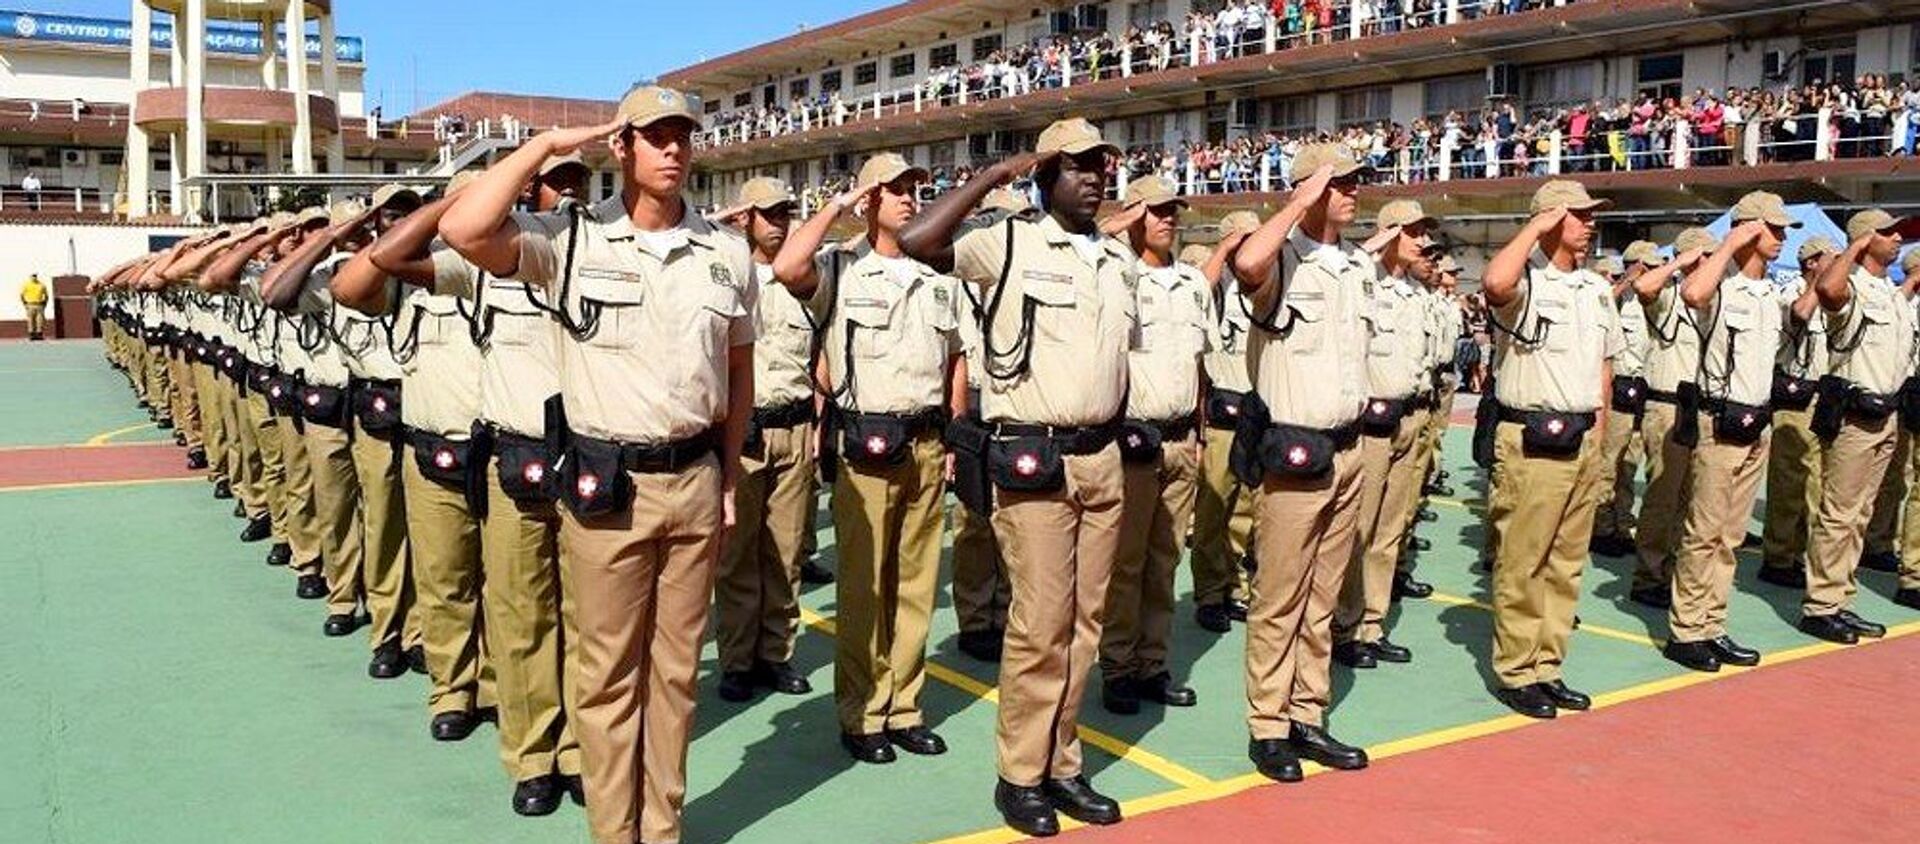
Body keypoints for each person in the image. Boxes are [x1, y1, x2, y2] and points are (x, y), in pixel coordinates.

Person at [439, 85, 749, 844]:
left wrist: (732, 475)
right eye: (654, 135)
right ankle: (616, 833)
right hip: (609, 488)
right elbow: (462, 226)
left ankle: (662, 828)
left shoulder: (726, 252)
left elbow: (737, 374)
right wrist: (545, 148)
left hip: (695, 481)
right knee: (608, 678)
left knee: (675, 679)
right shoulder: (570, 240)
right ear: (622, 148)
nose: (673, 148)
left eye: (683, 134)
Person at [899, 117, 1132, 837]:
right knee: (1038, 624)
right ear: (1046, 174)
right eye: (1077, 165)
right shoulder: (1006, 242)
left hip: (1102, 457)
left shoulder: (1114, 260)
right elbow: (919, 243)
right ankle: (1020, 773)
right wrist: (996, 176)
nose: (1094, 176)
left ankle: (1064, 762)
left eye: (1101, 165)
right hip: (1034, 458)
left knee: (1085, 626)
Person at [774, 152, 964, 764]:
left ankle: (904, 706)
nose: (911, 198)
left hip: (928, 444)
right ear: (870, 199)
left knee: (915, 586)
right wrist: (837, 204)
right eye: (896, 189)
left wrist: (956, 435)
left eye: (916, 187)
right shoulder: (840, 268)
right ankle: (860, 712)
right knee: (863, 587)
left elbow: (956, 357)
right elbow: (786, 265)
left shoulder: (939, 275)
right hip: (866, 447)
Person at [1227, 143, 1374, 781]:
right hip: (1294, 452)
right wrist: (1298, 201)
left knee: (1322, 594)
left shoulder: (1355, 266)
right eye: (1338, 183)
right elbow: (1248, 260)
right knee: (1280, 595)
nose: (1352, 192)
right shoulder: (1281, 258)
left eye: (1353, 182)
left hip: (1348, 449)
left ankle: (1306, 713)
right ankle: (1267, 724)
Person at [1481, 180, 1624, 720]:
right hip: (1532, 441)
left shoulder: (1595, 289)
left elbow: (1604, 367)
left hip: (1583, 436)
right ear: (1549, 221)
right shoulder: (1527, 284)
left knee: (1566, 563)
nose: (1589, 224)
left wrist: (1602, 436)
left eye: (1591, 216)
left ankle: (1548, 665)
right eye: (1578, 216)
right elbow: (1495, 281)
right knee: (1524, 561)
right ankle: (1517, 670)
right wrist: (1536, 227)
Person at [1661, 191, 1802, 672]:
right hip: (1717, 422)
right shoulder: (1721, 287)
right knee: (1704, 532)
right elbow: (1693, 294)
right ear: (1747, 230)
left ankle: (1711, 625)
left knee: (1731, 536)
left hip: (1756, 421)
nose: (1782, 238)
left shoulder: (1770, 292)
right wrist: (1729, 243)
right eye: (1774, 229)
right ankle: (1686, 631)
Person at [1095, 174, 1206, 715]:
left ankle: (1152, 663)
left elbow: (1200, 365)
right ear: (1134, 215)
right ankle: (1117, 665)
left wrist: (1202, 436)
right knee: (1126, 562)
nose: (1168, 219)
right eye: (1157, 211)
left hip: (1183, 438)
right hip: (1134, 440)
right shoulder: (1116, 275)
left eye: (1172, 211)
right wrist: (1113, 229)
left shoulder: (1193, 282)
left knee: (1166, 561)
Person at [711, 177, 817, 705]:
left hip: (794, 425)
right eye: (769, 214)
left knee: (785, 549)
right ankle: (735, 659)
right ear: (746, 218)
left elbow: (820, 355)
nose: (779, 223)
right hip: (742, 431)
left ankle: (776, 653)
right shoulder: (723, 274)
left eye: (785, 214)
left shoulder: (802, 280)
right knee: (735, 555)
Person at [1334, 199, 1439, 670]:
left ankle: (1371, 624)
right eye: (1414, 233)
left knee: (1389, 529)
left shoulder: (1417, 292)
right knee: (1359, 528)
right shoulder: (1363, 281)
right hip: (1371, 426)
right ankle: (1345, 625)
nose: (1424, 242)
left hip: (1411, 416)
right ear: (1391, 234)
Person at [1800, 208, 1910, 644]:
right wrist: (1855, 248)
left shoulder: (1888, 291)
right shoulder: (1854, 287)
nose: (1898, 238)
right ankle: (1820, 606)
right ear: (1865, 240)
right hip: (1855, 417)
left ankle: (1841, 598)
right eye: (1887, 232)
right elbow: (1827, 289)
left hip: (1887, 414)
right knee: (1839, 513)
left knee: (1861, 514)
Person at [1627, 228, 1717, 610]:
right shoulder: (1667, 297)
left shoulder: (1713, 299)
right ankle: (1649, 576)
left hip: (1698, 407)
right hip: (1665, 406)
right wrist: (1680, 262)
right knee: (1663, 496)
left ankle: (1672, 570)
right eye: (1708, 256)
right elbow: (1643, 286)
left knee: (1689, 497)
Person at [1191, 210, 1261, 633]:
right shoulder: (1215, 289)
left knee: (1246, 513)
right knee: (1214, 509)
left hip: (1253, 413)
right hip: (1220, 414)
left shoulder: (1263, 286)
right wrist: (1225, 250)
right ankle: (1209, 593)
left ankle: (1235, 586)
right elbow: (1199, 288)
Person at [1760, 237, 1837, 589]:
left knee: (1816, 482)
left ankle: (1800, 553)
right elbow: (1800, 315)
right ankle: (1778, 557)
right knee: (1789, 481)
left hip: (1825, 398)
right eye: (1830, 259)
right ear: (1811, 263)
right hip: (1796, 398)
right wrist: (1822, 284)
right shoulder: (1790, 290)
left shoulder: (1835, 295)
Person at [1590, 245, 1654, 557]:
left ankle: (1623, 524)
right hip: (1619, 387)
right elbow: (1602, 302)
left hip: (1643, 390)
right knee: (1610, 462)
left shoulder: (1652, 301)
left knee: (1630, 464)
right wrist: (1629, 280)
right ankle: (1601, 526)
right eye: (1648, 267)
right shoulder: (1614, 296)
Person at [20, 273, 49, 340]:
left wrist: (44, 304)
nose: (34, 277)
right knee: (30, 320)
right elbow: (22, 295)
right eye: (33, 276)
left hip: (39, 304)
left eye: (35, 276)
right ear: (30, 277)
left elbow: (46, 295)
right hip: (30, 304)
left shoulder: (41, 285)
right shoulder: (26, 285)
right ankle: (31, 335)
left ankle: (39, 334)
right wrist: (25, 304)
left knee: (40, 320)